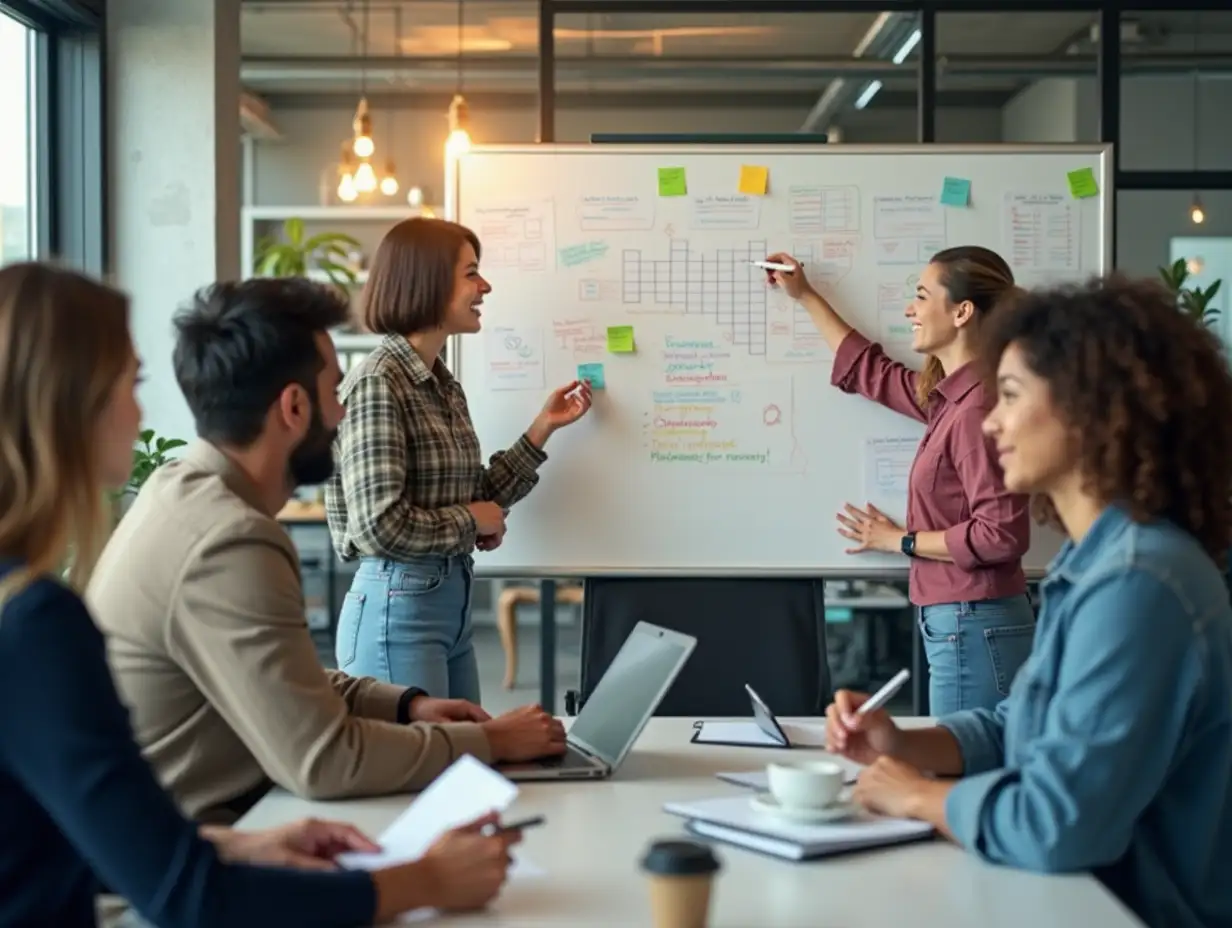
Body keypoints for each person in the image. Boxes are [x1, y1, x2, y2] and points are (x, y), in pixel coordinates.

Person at [0, 262, 522, 927]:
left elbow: (73, 834)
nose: (139, 411)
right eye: (130, 384)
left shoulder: (172, 499)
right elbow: (195, 889)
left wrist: (242, 842)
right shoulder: (45, 616)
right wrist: (421, 881)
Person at [827, 275, 1232, 928]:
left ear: (1091, 410)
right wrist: (903, 741)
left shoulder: (1140, 582)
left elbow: (1057, 825)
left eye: (1010, 396)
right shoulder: (1096, 559)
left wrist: (920, 798)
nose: (991, 421)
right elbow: (1019, 723)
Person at [87, 277, 566, 827]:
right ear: (294, 407)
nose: (343, 414)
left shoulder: (180, 491)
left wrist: (405, 706)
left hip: (224, 824)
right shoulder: (229, 542)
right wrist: (487, 741)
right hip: (202, 855)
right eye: (335, 392)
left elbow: (286, 681)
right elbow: (326, 761)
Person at [325, 217, 593, 702]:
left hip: (449, 603)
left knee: (463, 765)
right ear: (426, 282)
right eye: (471, 273)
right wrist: (470, 521)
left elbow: (478, 497)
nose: (484, 286)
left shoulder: (443, 384)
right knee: (429, 772)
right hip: (398, 608)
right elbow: (377, 527)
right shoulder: (377, 383)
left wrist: (542, 428)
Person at [766, 246, 1033, 715]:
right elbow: (872, 373)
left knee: (960, 771)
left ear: (962, 312)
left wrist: (901, 541)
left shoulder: (975, 409)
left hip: (973, 620)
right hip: (964, 621)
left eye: (922, 296)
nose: (910, 308)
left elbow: (1001, 534)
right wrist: (805, 295)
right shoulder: (951, 399)